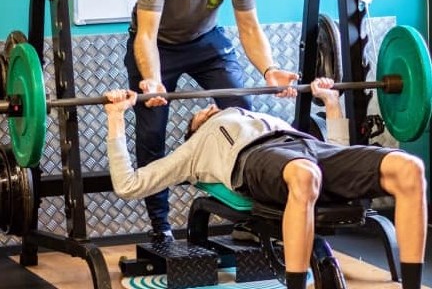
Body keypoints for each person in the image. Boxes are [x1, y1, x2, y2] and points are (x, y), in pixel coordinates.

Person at [104, 78, 426, 289]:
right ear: (194, 128)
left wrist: (330, 102)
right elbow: (128, 184)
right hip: (256, 159)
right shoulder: (194, 149)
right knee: (305, 175)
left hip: (306, 145)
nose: (208, 107)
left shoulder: (257, 116)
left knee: (409, 168)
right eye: (200, 113)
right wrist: (116, 117)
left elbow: (337, 154)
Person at [124, 0, 298, 241]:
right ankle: (161, 227)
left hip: (206, 41)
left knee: (246, 120)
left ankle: (252, 218)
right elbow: (146, 35)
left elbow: (248, 26)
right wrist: (153, 80)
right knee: (150, 135)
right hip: (159, 44)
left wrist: (269, 70)